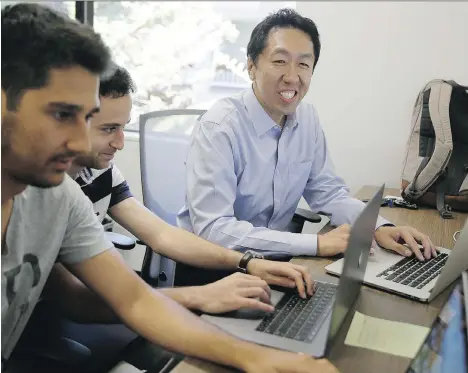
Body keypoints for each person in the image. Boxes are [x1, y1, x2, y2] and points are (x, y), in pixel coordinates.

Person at [1, 4, 339, 373]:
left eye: (87, 119)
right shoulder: (221, 125)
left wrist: (261, 358)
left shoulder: (59, 195)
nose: (83, 142)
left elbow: (133, 298)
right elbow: (75, 299)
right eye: (62, 115)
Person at [177, 8, 437, 262]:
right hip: (215, 266)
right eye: (280, 61)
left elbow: (328, 193)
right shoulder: (219, 128)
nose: (292, 77)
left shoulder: (307, 120)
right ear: (251, 67)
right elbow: (214, 229)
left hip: (274, 264)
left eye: (303, 64)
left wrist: (378, 227)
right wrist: (316, 244)